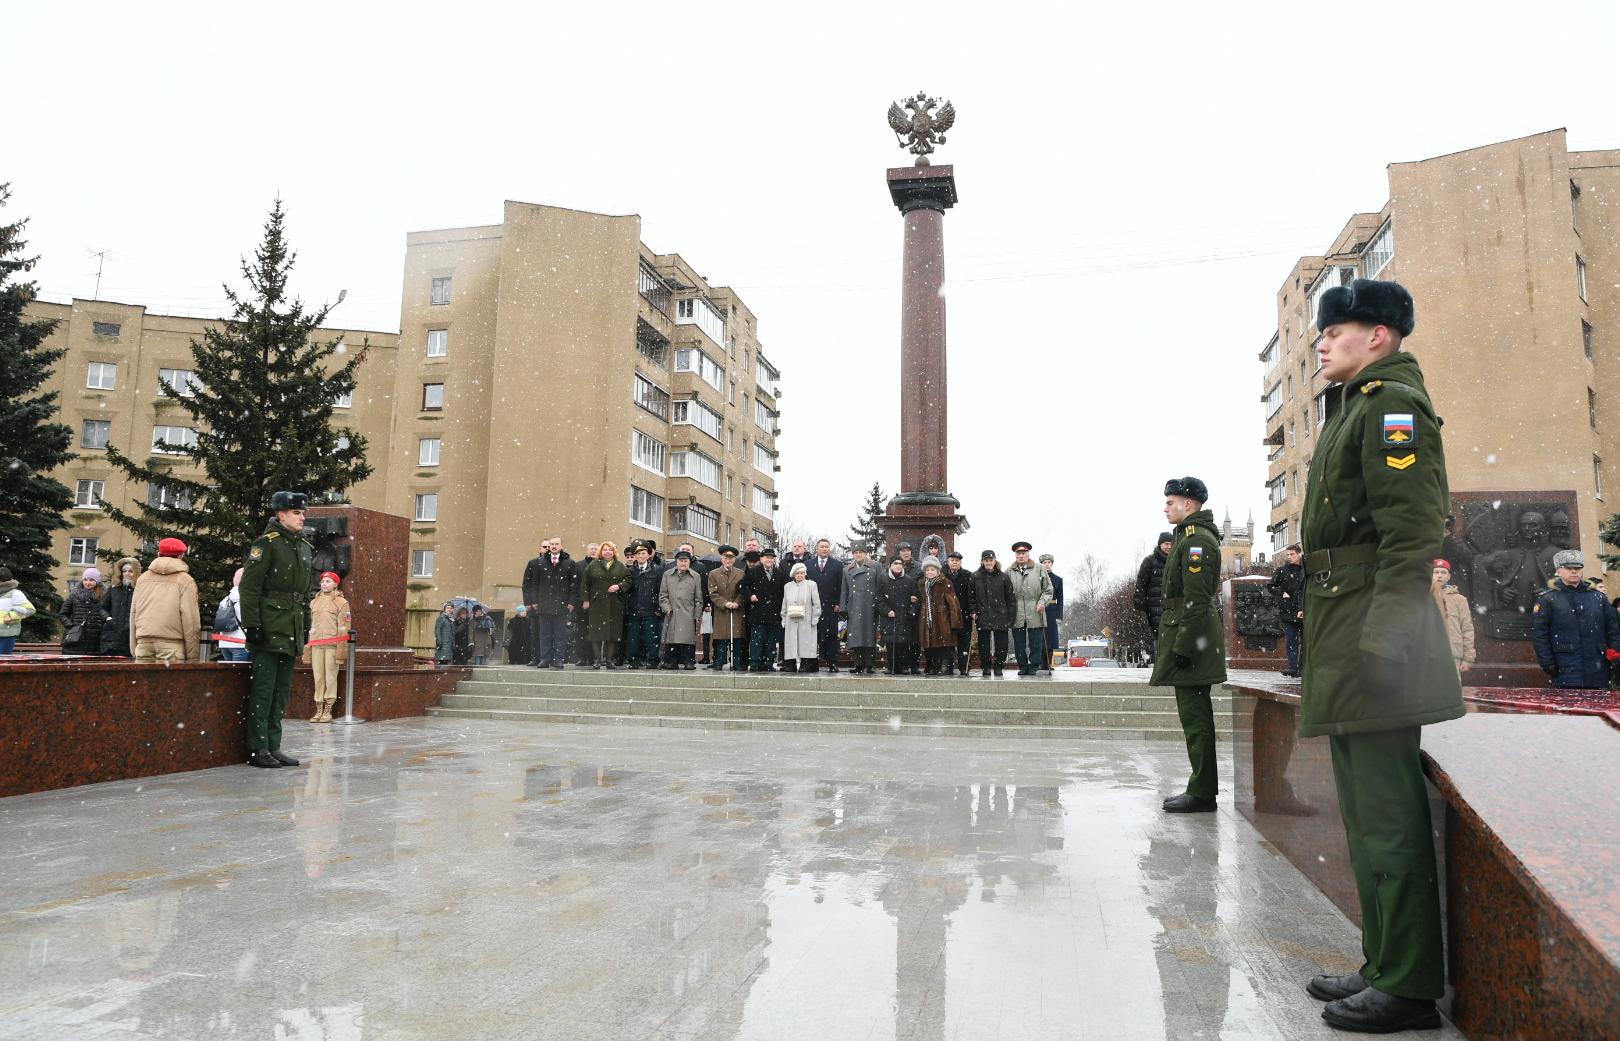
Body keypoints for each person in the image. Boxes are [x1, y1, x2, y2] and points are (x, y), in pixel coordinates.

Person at [1298, 278, 1461, 1032]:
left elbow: (1411, 533)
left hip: (1374, 631)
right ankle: (1383, 960)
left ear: (1381, 335)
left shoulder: (1393, 407)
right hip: (1347, 624)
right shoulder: (1356, 405)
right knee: (1365, 814)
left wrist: (1385, 640)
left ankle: (1409, 985)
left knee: (1389, 814)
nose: (1322, 342)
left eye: (1338, 329)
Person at [1150, 478, 1226, 814]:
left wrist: (1184, 646)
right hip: (1187, 634)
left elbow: (1195, 598)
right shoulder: (1187, 536)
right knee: (1194, 718)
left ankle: (1203, 792)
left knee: (1196, 719)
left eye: (1171, 502)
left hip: (1192, 639)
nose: (1166, 508)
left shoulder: (1197, 541)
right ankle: (1201, 786)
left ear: (1189, 504)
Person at [240, 490, 313, 770]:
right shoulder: (266, 544)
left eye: (302, 512)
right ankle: (257, 747)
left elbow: (303, 594)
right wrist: (253, 625)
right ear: (280, 514)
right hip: (269, 627)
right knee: (263, 690)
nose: (301, 517)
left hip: (290, 627)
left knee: (281, 691)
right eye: (296, 513)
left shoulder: (304, 546)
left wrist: (304, 626)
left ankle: (273, 744)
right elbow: (249, 587)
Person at [1531, 549, 1620, 689]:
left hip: (1598, 669)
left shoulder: (1598, 598)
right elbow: (1540, 634)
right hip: (1566, 668)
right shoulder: (1547, 599)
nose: (1574, 571)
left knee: (1597, 709)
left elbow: (1613, 629)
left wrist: (1615, 655)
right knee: (1570, 708)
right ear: (1558, 571)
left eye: (1578, 568)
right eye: (1569, 568)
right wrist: (1547, 662)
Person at [128, 537, 200, 662]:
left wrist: (134, 647)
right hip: (172, 646)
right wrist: (192, 656)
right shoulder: (185, 580)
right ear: (181, 556)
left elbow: (134, 613)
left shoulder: (143, 579)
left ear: (158, 554)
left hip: (144, 643)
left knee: (142, 681)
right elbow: (190, 619)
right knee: (169, 681)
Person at [523, 537, 576, 669]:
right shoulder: (539, 562)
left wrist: (571, 602)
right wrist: (533, 601)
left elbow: (573, 585)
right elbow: (534, 583)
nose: (553, 546)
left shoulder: (569, 563)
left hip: (561, 604)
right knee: (544, 634)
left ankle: (559, 659)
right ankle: (544, 659)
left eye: (556, 544)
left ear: (561, 546)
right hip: (544, 604)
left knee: (560, 635)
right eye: (551, 544)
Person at [306, 571, 351, 722]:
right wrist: (307, 649)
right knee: (318, 677)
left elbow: (344, 627)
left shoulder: (341, 603)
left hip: (332, 646)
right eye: (323, 581)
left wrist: (341, 651)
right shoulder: (314, 602)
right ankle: (318, 708)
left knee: (330, 678)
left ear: (335, 584)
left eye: (328, 581)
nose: (324, 584)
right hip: (316, 645)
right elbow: (310, 627)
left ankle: (328, 710)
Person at [1006, 542, 1052, 677]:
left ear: (1028, 554)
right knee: (1019, 643)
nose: (1021, 556)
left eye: (1023, 553)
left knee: (1035, 642)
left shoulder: (1039, 569)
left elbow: (1048, 590)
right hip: (1017, 612)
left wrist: (1042, 602)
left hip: (1035, 610)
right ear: (1015, 555)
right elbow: (1005, 592)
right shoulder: (1009, 571)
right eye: (1018, 553)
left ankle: (1033, 666)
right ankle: (1022, 666)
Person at [579, 540, 627, 668]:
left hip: (614, 604)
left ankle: (609, 660)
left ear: (614, 552)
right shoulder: (593, 565)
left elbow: (628, 580)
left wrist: (619, 586)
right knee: (596, 633)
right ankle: (597, 660)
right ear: (601, 551)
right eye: (605, 549)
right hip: (596, 604)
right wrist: (586, 600)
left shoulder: (620, 566)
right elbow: (585, 583)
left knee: (613, 634)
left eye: (610, 550)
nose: (607, 552)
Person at [970, 550, 1016, 677]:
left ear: (995, 561)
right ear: (982, 561)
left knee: (1002, 644)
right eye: (986, 560)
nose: (989, 563)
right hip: (982, 614)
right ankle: (985, 666)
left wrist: (1011, 617)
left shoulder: (1004, 577)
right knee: (983, 644)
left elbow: (1010, 598)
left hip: (1001, 615)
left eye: (991, 560)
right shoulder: (975, 576)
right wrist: (973, 610)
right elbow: (971, 597)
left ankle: (999, 666)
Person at [658, 549, 705, 670]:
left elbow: (698, 598)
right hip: (672, 612)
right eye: (681, 561)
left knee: (688, 638)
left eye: (685, 561)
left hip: (688, 613)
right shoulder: (667, 574)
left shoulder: (695, 576)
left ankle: (688, 660)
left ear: (689, 562)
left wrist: (697, 615)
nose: (683, 563)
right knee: (671, 638)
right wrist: (666, 608)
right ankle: (672, 660)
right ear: (676, 562)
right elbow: (663, 595)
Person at [917, 557, 964, 675]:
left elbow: (953, 603)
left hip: (943, 619)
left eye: (932, 569)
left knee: (945, 645)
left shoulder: (945, 583)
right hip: (927, 619)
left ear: (938, 571)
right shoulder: (921, 584)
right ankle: (933, 665)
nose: (930, 572)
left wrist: (955, 622)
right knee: (930, 645)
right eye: (927, 570)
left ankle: (946, 666)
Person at [741, 547, 784, 672]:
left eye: (771, 558)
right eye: (767, 557)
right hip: (758, 612)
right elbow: (742, 586)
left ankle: (768, 662)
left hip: (774, 613)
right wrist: (750, 595)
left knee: (771, 640)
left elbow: (782, 593)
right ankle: (755, 662)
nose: (769, 560)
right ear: (761, 559)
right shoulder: (753, 571)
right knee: (757, 639)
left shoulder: (779, 574)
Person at [876, 555, 919, 675]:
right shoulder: (883, 579)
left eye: (900, 564)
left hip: (904, 617)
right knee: (890, 643)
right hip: (889, 617)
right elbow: (878, 599)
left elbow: (916, 598)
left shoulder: (909, 580)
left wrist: (910, 612)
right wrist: (886, 611)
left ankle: (904, 666)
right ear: (890, 565)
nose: (898, 566)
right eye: (896, 563)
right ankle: (891, 666)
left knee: (903, 643)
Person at [840, 544, 879, 674]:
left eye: (861, 552)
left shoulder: (875, 566)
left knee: (869, 635)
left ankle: (869, 664)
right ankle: (858, 664)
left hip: (870, 605)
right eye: (855, 552)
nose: (858, 554)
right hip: (854, 606)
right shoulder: (847, 570)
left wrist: (879, 604)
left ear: (866, 553)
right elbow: (844, 591)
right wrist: (843, 608)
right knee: (856, 636)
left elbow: (881, 586)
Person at [807, 539, 845, 672]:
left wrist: (838, 603)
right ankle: (812, 663)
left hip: (831, 606)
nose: (824, 549)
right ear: (816, 548)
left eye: (826, 547)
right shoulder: (808, 564)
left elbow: (841, 586)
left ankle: (832, 663)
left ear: (830, 549)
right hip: (812, 607)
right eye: (822, 547)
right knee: (812, 635)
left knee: (831, 636)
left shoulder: (837, 565)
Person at [708, 546, 747, 671]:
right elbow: (713, 593)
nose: (728, 561)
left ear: (734, 560)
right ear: (721, 559)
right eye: (726, 558)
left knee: (736, 638)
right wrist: (725, 603)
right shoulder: (714, 574)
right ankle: (719, 661)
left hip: (737, 610)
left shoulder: (740, 573)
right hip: (722, 610)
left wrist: (737, 602)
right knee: (721, 637)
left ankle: (736, 662)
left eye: (731, 558)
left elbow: (743, 591)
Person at [1269, 544, 1306, 677]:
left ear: (1299, 554)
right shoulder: (1281, 571)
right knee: (1291, 640)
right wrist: (1281, 592)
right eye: (1288, 554)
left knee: (1305, 641)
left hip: (1303, 609)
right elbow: (1270, 586)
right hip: (1287, 610)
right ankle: (1293, 667)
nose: (1289, 557)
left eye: (1292, 554)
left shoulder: (1305, 570)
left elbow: (1304, 590)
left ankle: (1301, 668)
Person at [624, 543, 663, 668]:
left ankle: (653, 660)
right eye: (638, 554)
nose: (640, 556)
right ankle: (634, 660)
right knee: (633, 638)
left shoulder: (656, 570)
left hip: (650, 610)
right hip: (634, 609)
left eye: (643, 553)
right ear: (635, 556)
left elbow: (660, 590)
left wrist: (658, 607)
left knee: (651, 637)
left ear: (648, 555)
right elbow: (626, 590)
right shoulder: (630, 571)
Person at [780, 562, 821, 673]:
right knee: (791, 642)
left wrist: (815, 618)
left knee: (806, 642)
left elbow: (816, 603)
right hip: (791, 619)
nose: (800, 575)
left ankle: (807, 664)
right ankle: (791, 664)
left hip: (806, 620)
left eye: (802, 573)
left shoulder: (811, 585)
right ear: (793, 574)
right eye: (797, 573)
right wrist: (783, 618)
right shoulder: (787, 586)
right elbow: (785, 603)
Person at [1133, 533, 1172, 650]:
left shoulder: (1176, 560)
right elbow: (1141, 584)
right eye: (1166, 544)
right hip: (1154, 606)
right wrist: (1140, 604)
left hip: (1172, 605)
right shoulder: (1149, 561)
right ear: (1160, 544)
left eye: (1171, 544)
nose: (1169, 546)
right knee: (1159, 636)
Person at [98, 557, 142, 659]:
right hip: (111, 635)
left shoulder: (140, 590)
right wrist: (108, 618)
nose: (127, 573)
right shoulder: (114, 589)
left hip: (130, 635)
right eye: (124, 571)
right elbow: (102, 607)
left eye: (130, 571)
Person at [59, 567, 106, 655]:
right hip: (75, 639)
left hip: (95, 641)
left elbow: (108, 615)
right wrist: (70, 626)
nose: (88, 583)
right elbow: (63, 614)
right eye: (85, 579)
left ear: (97, 581)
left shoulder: (104, 596)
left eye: (91, 580)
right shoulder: (74, 595)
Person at [945, 551, 974, 675]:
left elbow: (972, 595)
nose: (954, 562)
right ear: (948, 562)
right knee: (948, 642)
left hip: (964, 614)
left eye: (957, 560)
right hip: (947, 615)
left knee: (964, 642)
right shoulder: (943, 575)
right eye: (952, 560)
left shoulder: (968, 575)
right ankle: (948, 667)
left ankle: (964, 667)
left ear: (960, 562)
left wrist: (972, 610)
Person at [573, 542, 601, 666]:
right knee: (581, 633)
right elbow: (575, 585)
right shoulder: (578, 566)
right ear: (586, 550)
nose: (593, 551)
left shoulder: (603, 565)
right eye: (591, 549)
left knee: (595, 634)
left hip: (597, 606)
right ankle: (581, 657)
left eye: (596, 549)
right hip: (581, 606)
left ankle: (594, 657)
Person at [215, 568, 250, 662]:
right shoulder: (246, 600)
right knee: (240, 675)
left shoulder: (226, 599)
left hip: (224, 643)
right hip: (240, 644)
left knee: (230, 674)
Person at [0, 567, 37, 655]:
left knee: (2, 664)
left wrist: (11, 616)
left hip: (6, 634)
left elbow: (30, 610)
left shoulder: (15, 593)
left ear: (2, 580)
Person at [1039, 553, 1064, 674]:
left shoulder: (1058, 580)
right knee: (1040, 637)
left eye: (1049, 562)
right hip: (1040, 610)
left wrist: (1059, 615)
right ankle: (1040, 663)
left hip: (1052, 611)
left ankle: (1048, 663)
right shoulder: (1037, 578)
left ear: (1052, 564)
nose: (1047, 564)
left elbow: (1061, 599)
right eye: (1044, 563)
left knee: (1052, 639)